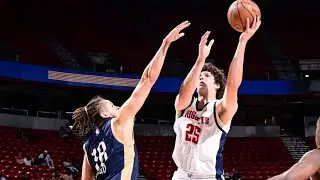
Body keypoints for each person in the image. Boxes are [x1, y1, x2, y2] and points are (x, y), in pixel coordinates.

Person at [72, 21, 191, 180]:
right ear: (105, 114)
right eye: (113, 106)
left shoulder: (88, 147)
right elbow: (147, 80)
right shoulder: (118, 122)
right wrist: (165, 44)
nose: (118, 107)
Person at [171, 16, 261, 180]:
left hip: (207, 176)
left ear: (218, 85)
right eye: (199, 76)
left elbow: (233, 86)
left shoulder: (220, 109)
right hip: (180, 175)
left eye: (206, 75)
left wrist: (242, 42)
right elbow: (184, 92)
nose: (201, 78)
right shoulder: (185, 104)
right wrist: (200, 60)